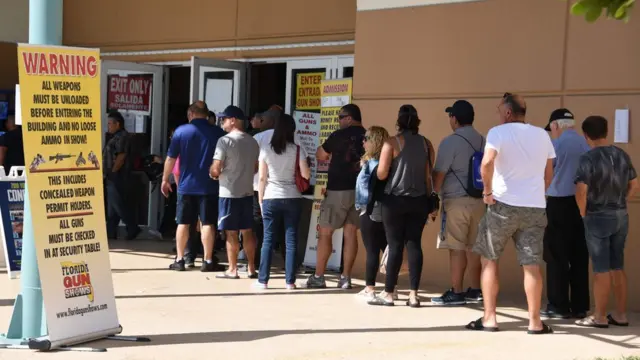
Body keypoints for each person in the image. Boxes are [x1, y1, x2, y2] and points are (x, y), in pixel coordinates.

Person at [466, 93, 555, 334]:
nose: (497, 113)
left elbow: (486, 163)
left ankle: (490, 318)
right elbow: (549, 174)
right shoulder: (542, 135)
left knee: (489, 259)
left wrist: (486, 192)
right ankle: (535, 322)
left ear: (507, 112)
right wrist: (537, 193)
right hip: (534, 207)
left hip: (501, 205)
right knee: (532, 265)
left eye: (498, 109)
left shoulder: (498, 132)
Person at [574, 115, 638, 329]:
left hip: (597, 216)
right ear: (606, 131)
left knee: (600, 268)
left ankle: (599, 316)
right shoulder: (622, 155)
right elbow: (634, 184)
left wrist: (583, 213)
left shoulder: (587, 158)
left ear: (586, 135)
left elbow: (581, 191)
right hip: (620, 215)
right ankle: (620, 314)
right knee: (617, 265)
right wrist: (621, 202)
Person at [368, 105, 435, 307]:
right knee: (414, 244)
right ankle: (414, 295)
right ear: (417, 121)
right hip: (419, 200)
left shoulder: (391, 143)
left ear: (398, 120)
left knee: (395, 245)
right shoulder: (426, 144)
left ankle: (389, 293)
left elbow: (381, 173)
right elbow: (428, 176)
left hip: (394, 200)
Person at [305, 104, 366, 289]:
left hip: (337, 189)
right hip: (359, 192)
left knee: (325, 232)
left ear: (349, 118)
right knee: (351, 234)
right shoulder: (368, 135)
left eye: (340, 117)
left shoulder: (338, 136)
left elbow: (320, 155)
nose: (339, 120)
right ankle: (345, 278)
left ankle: (318, 276)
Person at [431, 100, 485, 306]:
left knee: (456, 247)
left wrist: (433, 196)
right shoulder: (483, 140)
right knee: (474, 247)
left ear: (454, 118)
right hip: (480, 201)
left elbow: (439, 174)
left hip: (456, 201)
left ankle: (456, 291)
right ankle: (476, 289)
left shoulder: (450, 142)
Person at [162, 101, 225, 272]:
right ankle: (208, 260)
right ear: (206, 114)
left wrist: (165, 179)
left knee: (183, 223)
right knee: (207, 223)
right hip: (210, 185)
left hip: (186, 185)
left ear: (190, 113)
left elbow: (171, 158)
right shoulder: (218, 133)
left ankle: (180, 259)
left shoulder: (181, 132)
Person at [541, 108, 591, 319]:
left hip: (558, 204)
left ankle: (559, 305)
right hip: (583, 204)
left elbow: (546, 175)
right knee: (580, 255)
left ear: (555, 125)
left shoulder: (554, 145)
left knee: (556, 256)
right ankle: (580, 305)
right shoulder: (585, 144)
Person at [256, 113, 310, 289]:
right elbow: (306, 175)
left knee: (268, 240)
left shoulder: (266, 149)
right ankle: (290, 282)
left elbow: (262, 178)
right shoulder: (298, 150)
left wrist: (261, 200)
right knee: (291, 240)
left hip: (271, 196)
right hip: (293, 197)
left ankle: (263, 281)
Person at [211, 105, 260, 279]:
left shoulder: (224, 141)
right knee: (247, 231)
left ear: (233, 120)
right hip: (247, 192)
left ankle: (232, 269)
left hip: (228, 193)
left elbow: (216, 169)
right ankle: (252, 268)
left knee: (231, 232)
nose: (222, 122)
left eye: (224, 119)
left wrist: (214, 173)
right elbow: (255, 168)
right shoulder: (253, 141)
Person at [354, 126, 393, 301]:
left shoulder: (372, 164)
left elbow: (367, 190)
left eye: (366, 138)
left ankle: (370, 288)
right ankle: (390, 287)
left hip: (370, 209)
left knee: (371, 250)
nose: (363, 141)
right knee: (387, 249)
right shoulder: (388, 161)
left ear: (375, 141)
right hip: (385, 210)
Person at [103, 111, 141, 241]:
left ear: (117, 124)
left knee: (118, 205)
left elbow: (121, 156)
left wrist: (113, 171)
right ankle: (111, 232)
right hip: (112, 175)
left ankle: (132, 227)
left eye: (110, 124)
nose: (108, 126)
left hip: (118, 176)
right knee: (112, 209)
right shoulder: (114, 136)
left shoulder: (122, 137)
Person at [252, 108, 279, 267]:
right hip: (282, 190)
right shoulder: (291, 137)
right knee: (282, 228)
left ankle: (257, 262)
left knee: (258, 226)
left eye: (262, 120)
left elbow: (254, 166)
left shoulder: (258, 138)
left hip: (259, 188)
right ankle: (291, 264)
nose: (259, 123)